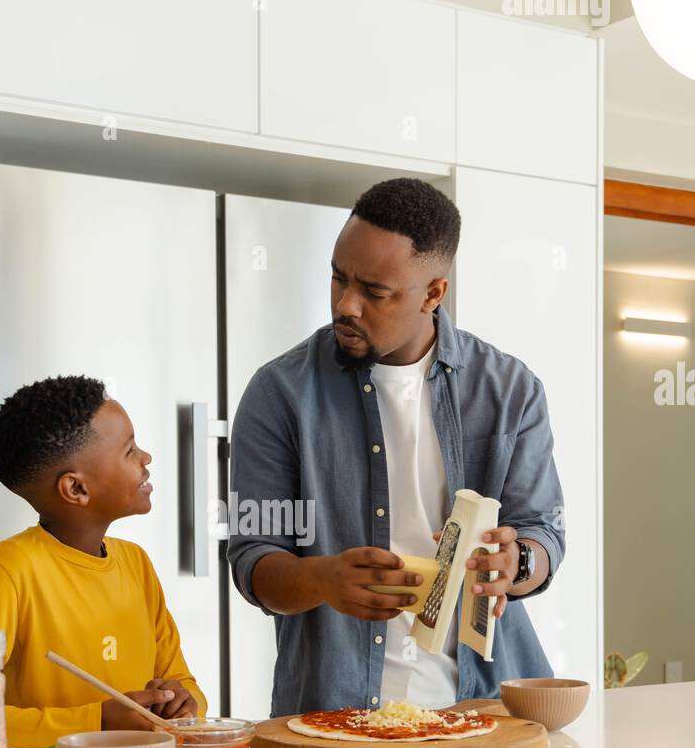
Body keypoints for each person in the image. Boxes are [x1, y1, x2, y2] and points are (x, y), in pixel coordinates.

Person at [227, 177, 565, 716]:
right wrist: (322, 578)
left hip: (486, 713)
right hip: (334, 717)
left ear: (434, 292)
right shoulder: (279, 394)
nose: (346, 305)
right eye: (338, 279)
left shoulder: (510, 391)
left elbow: (543, 532)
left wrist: (517, 561)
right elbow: (253, 559)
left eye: (374, 291)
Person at [0, 375, 204, 747]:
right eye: (129, 450)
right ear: (76, 489)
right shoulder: (11, 570)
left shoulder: (136, 564)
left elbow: (185, 685)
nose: (146, 458)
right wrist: (95, 721)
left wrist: (183, 703)